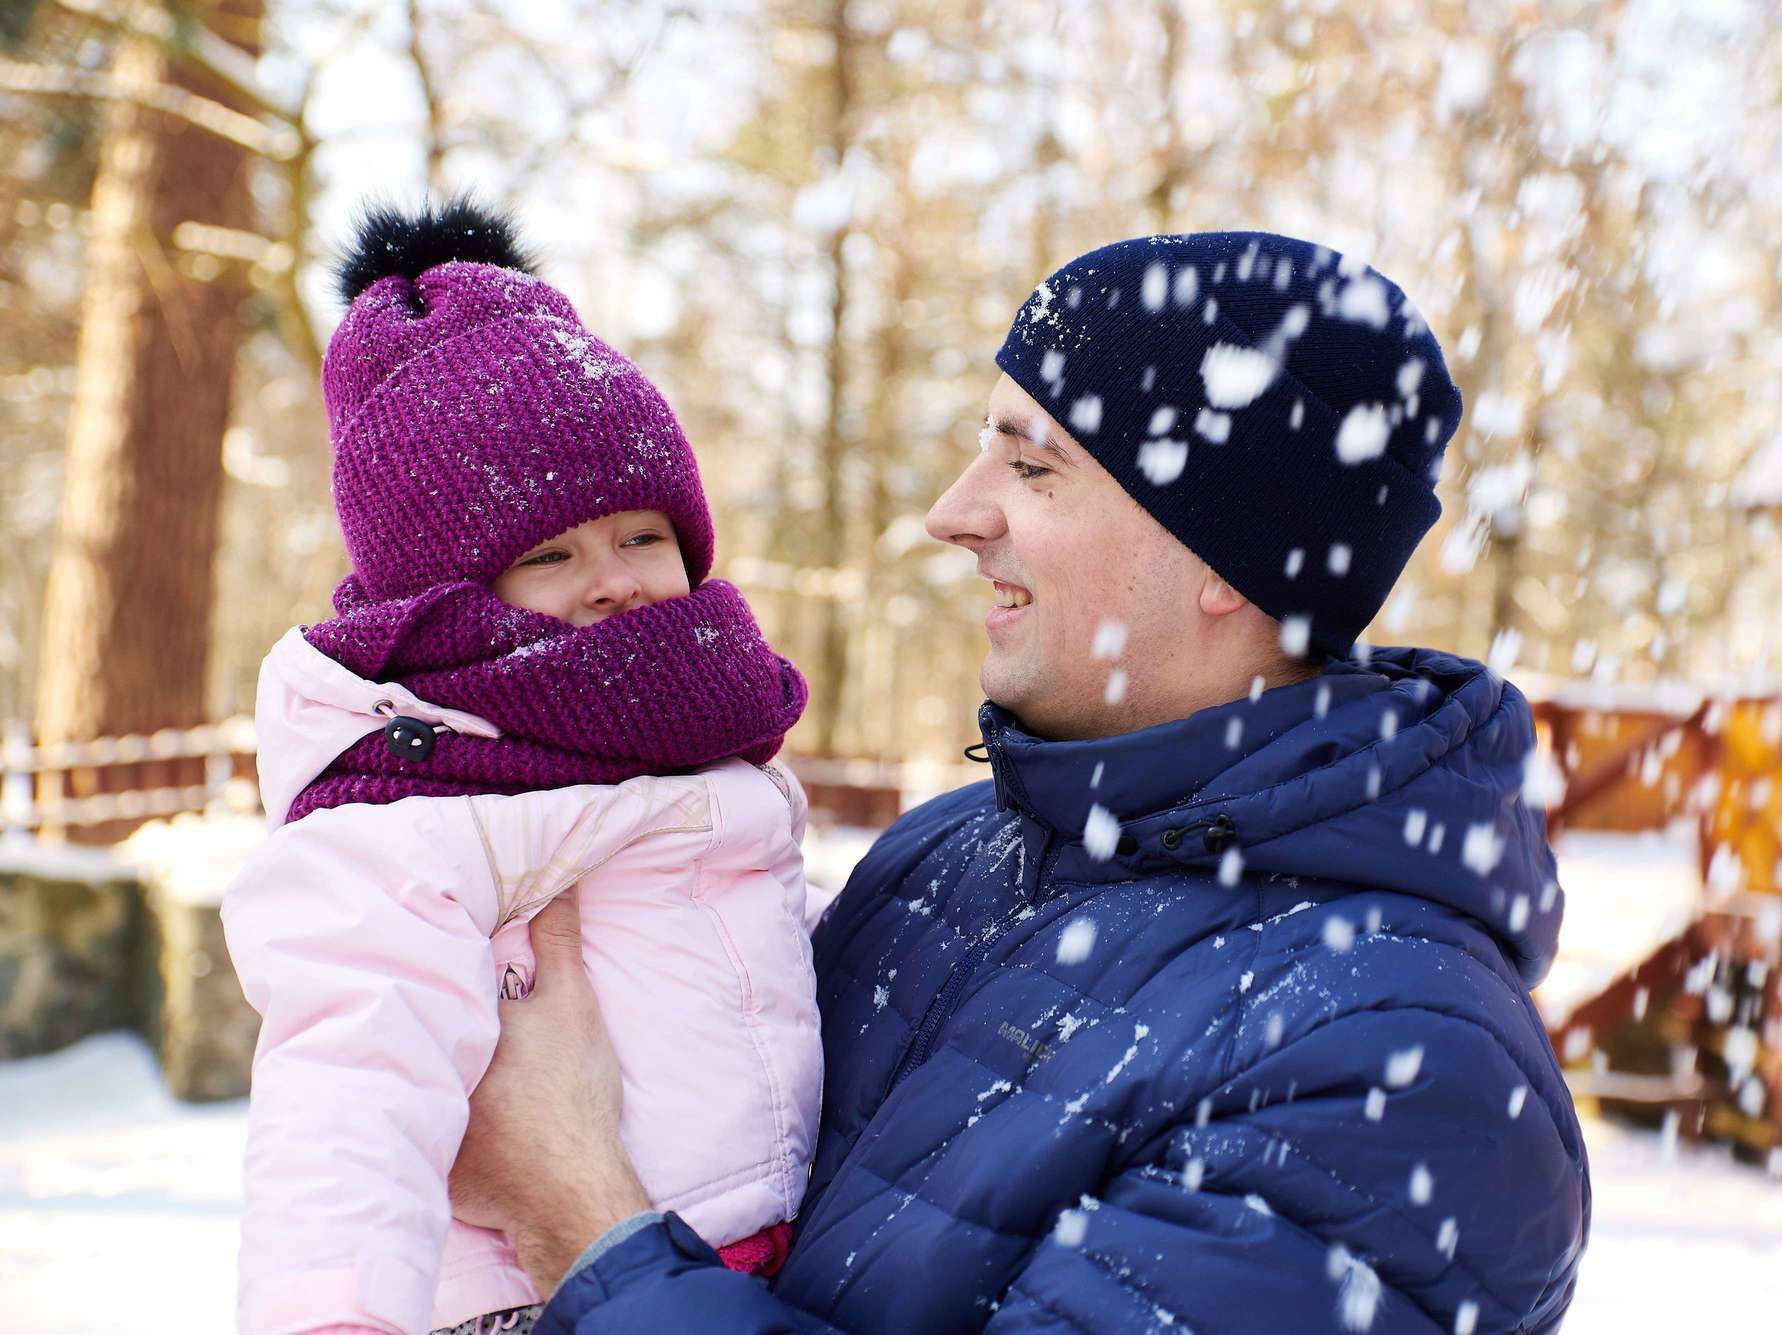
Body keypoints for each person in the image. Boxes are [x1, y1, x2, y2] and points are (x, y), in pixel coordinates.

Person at [450, 231, 1591, 1332]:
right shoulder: (949, 858)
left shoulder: (1394, 1075)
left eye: (1032, 467)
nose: (954, 513)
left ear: (1226, 568)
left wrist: (580, 1224)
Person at [220, 200, 819, 1335]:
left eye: (642, 537)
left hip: (726, 1271)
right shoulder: (420, 805)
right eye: (547, 555)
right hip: (522, 1294)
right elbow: (350, 1083)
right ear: (443, 600)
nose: (613, 581)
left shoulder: (700, 752)